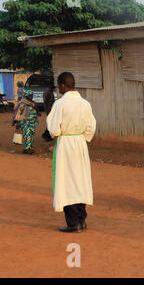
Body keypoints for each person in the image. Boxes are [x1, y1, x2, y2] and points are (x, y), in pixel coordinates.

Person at [46, 72, 96, 233]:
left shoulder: (60, 104)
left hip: (66, 144)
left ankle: (73, 222)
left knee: (67, 182)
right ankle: (82, 220)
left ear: (62, 85)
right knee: (80, 180)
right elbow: (91, 128)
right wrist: (83, 137)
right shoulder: (85, 104)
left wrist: (60, 133)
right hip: (80, 144)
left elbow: (53, 129)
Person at [12, 90, 39, 154]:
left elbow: (36, 111)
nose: (31, 97)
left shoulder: (32, 103)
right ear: (26, 96)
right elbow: (18, 114)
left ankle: (28, 148)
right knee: (27, 135)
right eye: (30, 95)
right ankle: (28, 149)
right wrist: (18, 123)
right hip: (24, 122)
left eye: (32, 95)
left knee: (31, 135)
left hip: (32, 122)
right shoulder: (22, 104)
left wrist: (37, 112)